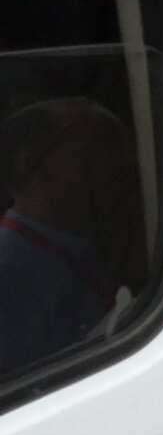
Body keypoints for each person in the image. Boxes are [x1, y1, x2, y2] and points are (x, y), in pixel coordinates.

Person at [0, 97, 144, 381]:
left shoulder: (100, 248)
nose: (126, 163)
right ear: (34, 163)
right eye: (102, 149)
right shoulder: (7, 276)